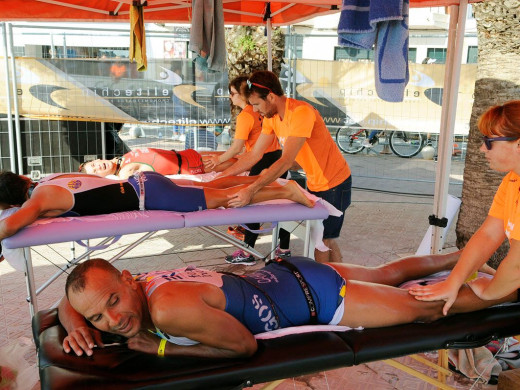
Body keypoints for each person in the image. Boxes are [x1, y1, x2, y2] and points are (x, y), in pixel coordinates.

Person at [58, 251, 516, 359]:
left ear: (124, 280)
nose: (114, 321)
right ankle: (466, 252)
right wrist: (74, 316)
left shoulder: (166, 311)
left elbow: (242, 348)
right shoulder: (139, 279)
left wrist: (157, 348)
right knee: (386, 274)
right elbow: (78, 294)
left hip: (318, 299)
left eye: (113, 303)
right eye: (98, 316)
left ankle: (510, 283)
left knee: (424, 307)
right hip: (286, 271)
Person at [218, 71, 352, 263]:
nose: (254, 111)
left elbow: (286, 160)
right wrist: (222, 177)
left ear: (271, 97)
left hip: (335, 182)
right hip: (316, 182)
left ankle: (327, 288)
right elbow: (254, 155)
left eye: (256, 104)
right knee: (326, 237)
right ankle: (340, 282)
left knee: (322, 239)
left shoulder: (301, 112)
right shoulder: (272, 118)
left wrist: (252, 189)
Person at [409, 100, 520, 315]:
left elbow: (517, 265)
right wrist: (453, 282)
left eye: (489, 141)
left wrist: (489, 290)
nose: (481, 148)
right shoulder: (512, 181)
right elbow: (488, 235)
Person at [0, 171, 314, 242]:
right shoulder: (47, 180)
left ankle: (285, 190)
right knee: (212, 187)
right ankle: (279, 185)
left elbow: (12, 225)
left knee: (227, 198)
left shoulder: (39, 199)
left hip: (152, 197)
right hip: (144, 181)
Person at [204, 75, 291, 265]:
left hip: (266, 162)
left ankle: (247, 251)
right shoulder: (266, 114)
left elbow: (240, 150)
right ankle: (284, 247)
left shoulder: (248, 115)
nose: (231, 97)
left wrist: (222, 168)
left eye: (233, 93)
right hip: (275, 158)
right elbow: (250, 153)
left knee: (252, 204)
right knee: (281, 204)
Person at [79, 148, 236, 179]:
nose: (98, 166)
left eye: (94, 164)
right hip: (190, 165)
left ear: (97, 159)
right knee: (240, 162)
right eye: (95, 171)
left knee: (239, 154)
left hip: (186, 153)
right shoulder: (123, 173)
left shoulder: (121, 158)